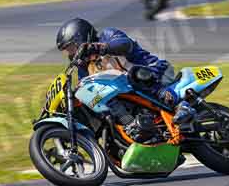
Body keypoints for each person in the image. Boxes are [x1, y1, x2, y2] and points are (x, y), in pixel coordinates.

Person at [55, 18, 195, 125]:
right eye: (67, 52)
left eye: (71, 49)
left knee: (134, 75)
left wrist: (99, 48)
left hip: (155, 71)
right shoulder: (84, 66)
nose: (71, 55)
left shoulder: (107, 35)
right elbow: (86, 88)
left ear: (81, 38)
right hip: (132, 92)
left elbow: (125, 45)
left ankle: (180, 106)